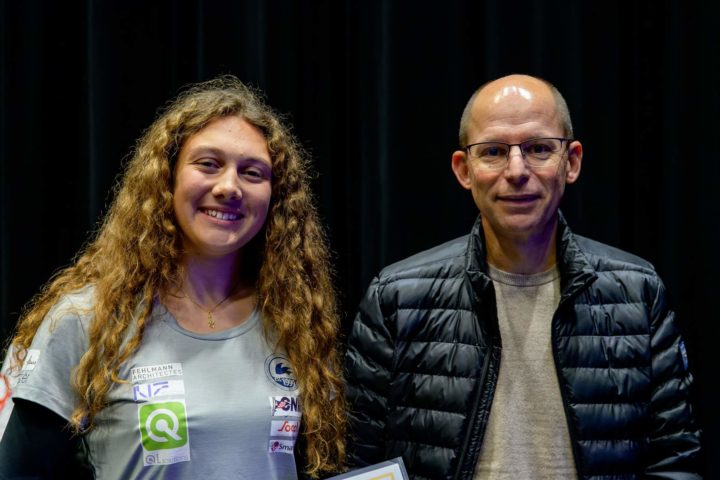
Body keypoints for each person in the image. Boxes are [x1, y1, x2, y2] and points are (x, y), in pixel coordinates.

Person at [344, 74, 701, 479]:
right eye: (493, 151)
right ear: (464, 170)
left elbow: (675, 462)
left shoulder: (638, 293)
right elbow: (358, 463)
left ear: (572, 162)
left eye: (538, 149)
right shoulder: (396, 299)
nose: (517, 170)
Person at [0, 75, 346, 479]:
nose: (229, 187)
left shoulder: (296, 321)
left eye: (253, 173)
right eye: (208, 164)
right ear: (166, 178)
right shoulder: (87, 319)